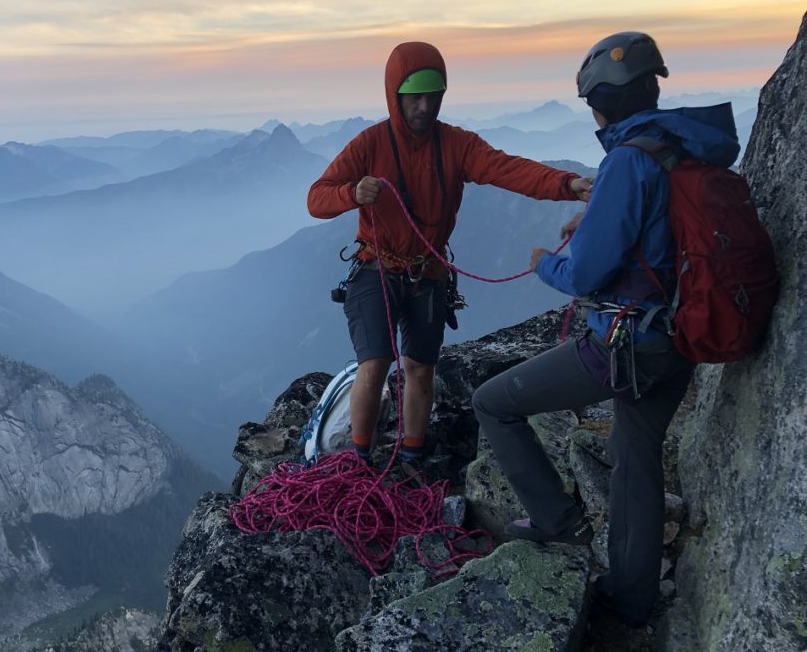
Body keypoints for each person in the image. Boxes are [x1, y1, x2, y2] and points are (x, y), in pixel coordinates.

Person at [472, 31, 740, 627]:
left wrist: (546, 259)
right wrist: (594, 222)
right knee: (635, 455)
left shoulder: (626, 160)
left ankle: (555, 523)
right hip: (680, 336)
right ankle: (630, 597)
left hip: (627, 344)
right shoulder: (681, 146)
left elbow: (586, 271)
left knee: (492, 403)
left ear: (599, 100)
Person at [307, 41, 591, 479]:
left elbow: (506, 168)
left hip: (428, 273)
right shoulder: (369, 144)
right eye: (414, 98)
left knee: (421, 367)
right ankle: (358, 461)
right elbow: (316, 198)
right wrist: (351, 194)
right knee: (376, 361)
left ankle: (413, 458)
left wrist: (565, 184)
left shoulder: (456, 145)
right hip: (376, 267)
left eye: (432, 97)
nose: (424, 107)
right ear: (394, 96)